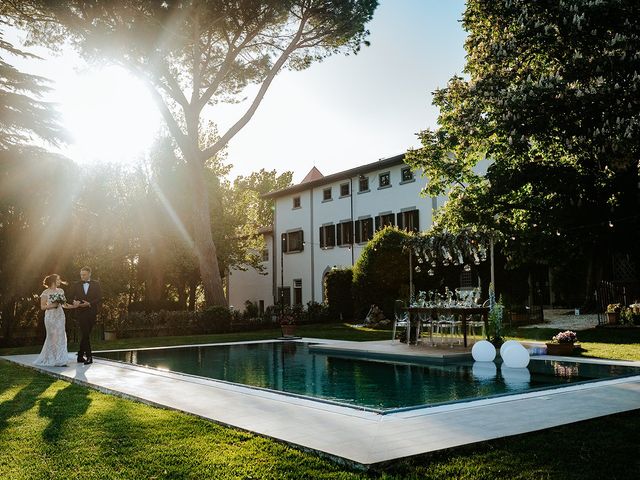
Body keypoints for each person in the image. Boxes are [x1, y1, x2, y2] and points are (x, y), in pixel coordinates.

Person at [34, 274, 79, 367]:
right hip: (50, 317)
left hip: (60, 316)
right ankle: (52, 358)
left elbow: (64, 305)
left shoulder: (61, 291)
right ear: (53, 281)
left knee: (61, 336)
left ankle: (61, 359)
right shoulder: (45, 292)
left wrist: (74, 306)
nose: (60, 281)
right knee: (52, 337)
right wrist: (53, 305)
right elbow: (42, 307)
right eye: (58, 279)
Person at [71, 266, 102, 365]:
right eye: (81, 275)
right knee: (85, 333)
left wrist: (89, 303)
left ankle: (80, 355)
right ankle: (89, 357)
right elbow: (70, 296)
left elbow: (99, 298)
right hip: (81, 312)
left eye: (84, 275)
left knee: (86, 334)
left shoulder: (96, 284)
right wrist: (74, 302)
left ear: (89, 274)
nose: (82, 276)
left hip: (92, 312)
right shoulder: (76, 284)